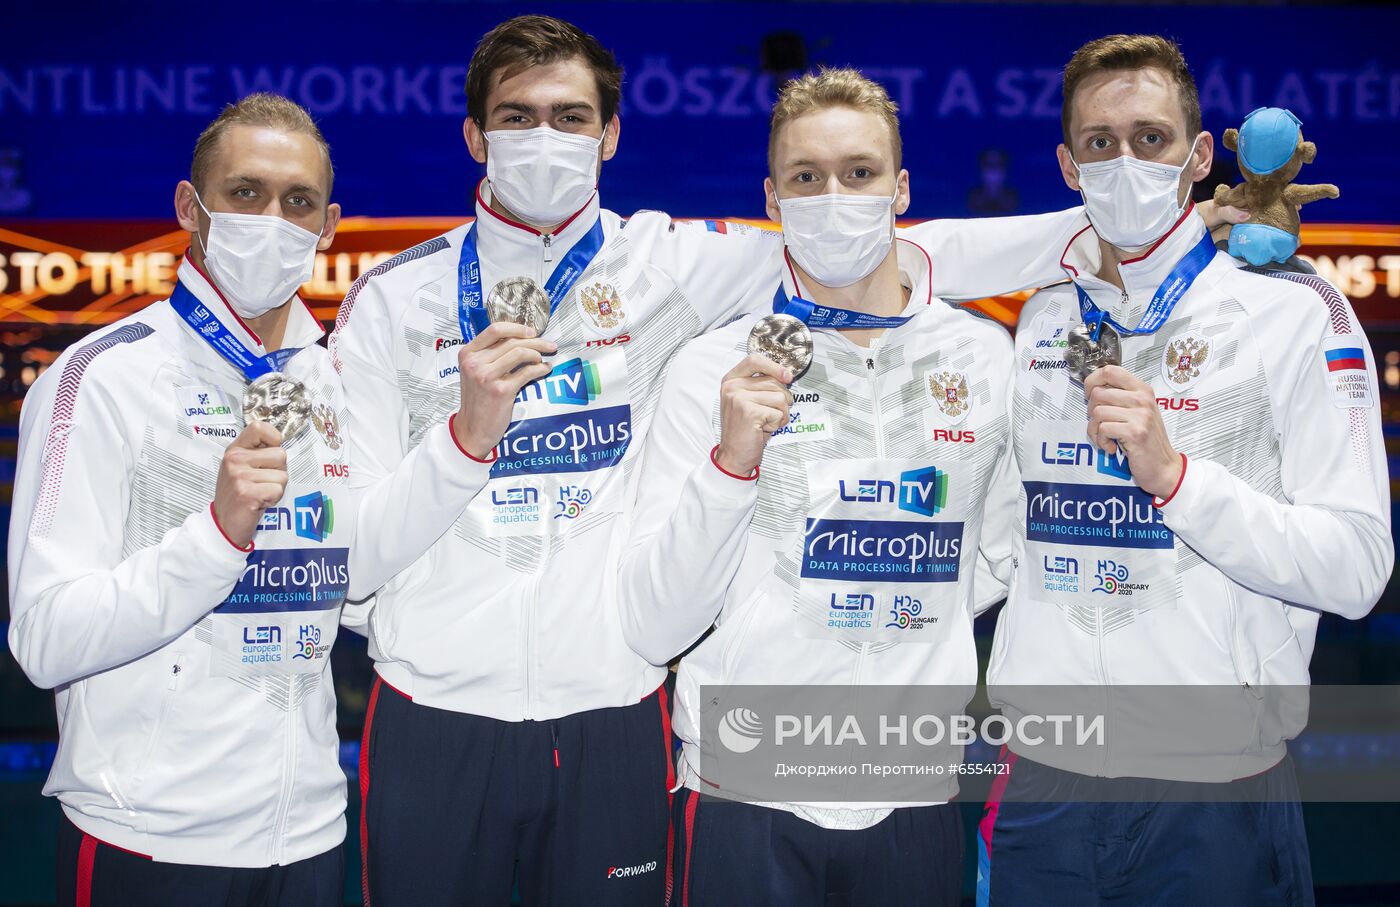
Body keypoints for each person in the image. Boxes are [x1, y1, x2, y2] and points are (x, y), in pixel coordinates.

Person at [331, 14, 1251, 905]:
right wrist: (463, 442)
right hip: (441, 706)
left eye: (569, 117)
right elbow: (356, 559)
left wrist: (1181, 217)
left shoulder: (678, 262)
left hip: (620, 708)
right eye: (516, 117)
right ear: (472, 134)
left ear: (609, 135)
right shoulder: (391, 298)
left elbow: (903, 252)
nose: (544, 138)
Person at [8, 93, 494, 907]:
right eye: (245, 193)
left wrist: (467, 444)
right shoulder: (101, 379)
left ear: (328, 226)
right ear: (189, 208)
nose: (271, 218)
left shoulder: (331, 382)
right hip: (151, 834)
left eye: (297, 201)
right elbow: (45, 639)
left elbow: (358, 577)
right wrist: (219, 534)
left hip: (305, 832)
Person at [975, 34, 1392, 907]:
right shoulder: (1045, 319)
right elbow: (1009, 537)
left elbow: (1356, 569)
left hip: (1214, 785)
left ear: (1200, 156)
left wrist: (1176, 479)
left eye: (1151, 138)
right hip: (1045, 774)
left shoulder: (1294, 313)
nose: (1125, 161)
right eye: (1099, 142)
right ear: (1066, 163)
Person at [619, 67, 1021, 906]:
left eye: (859, 172)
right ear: (773, 198)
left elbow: (992, 559)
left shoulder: (983, 356)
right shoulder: (710, 367)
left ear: (901, 187)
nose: (833, 196)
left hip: (914, 788)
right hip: (745, 789)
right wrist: (731, 466)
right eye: (807, 178)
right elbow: (655, 620)